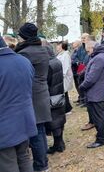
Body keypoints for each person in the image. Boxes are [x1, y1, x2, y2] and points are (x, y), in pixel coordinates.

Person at [15, 23, 52, 172]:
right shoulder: (42, 49)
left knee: (35, 133)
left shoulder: (25, 53)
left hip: (32, 96)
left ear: (24, 36)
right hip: (42, 93)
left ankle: (41, 165)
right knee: (40, 130)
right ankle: (43, 162)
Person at [0, 35, 37, 172]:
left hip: (4, 129)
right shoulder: (24, 61)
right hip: (24, 121)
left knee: (7, 164)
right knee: (24, 158)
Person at [79, 41, 104, 148]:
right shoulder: (102, 55)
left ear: (92, 48)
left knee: (98, 116)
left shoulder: (99, 58)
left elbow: (91, 78)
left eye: (88, 50)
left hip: (96, 92)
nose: (87, 53)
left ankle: (101, 139)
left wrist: (82, 86)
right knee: (103, 113)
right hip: (101, 91)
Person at [45, 46, 66, 154]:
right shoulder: (56, 61)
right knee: (59, 120)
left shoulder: (48, 65)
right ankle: (60, 143)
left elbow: (46, 81)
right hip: (58, 94)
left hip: (52, 95)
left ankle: (58, 145)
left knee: (54, 121)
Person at [56, 41, 74, 114]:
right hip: (62, 76)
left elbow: (66, 67)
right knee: (64, 92)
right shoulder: (60, 54)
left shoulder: (66, 55)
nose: (57, 47)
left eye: (58, 45)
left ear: (62, 46)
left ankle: (67, 109)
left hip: (64, 76)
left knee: (64, 92)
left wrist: (62, 75)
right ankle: (67, 108)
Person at [73, 33, 90, 105]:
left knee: (86, 84)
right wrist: (78, 62)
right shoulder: (80, 47)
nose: (83, 39)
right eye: (82, 38)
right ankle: (82, 99)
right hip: (80, 67)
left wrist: (84, 63)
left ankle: (87, 100)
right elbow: (76, 56)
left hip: (87, 66)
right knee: (80, 83)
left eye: (84, 38)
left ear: (88, 38)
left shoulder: (89, 46)